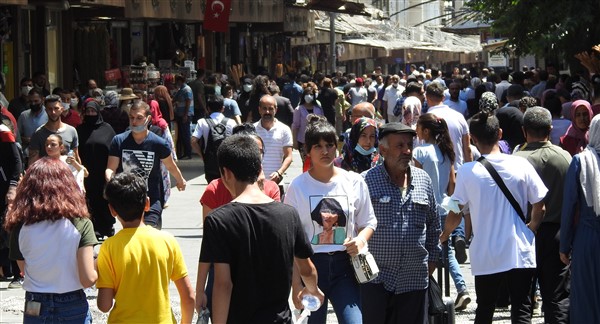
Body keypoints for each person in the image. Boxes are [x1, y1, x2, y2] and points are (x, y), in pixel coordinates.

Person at [198, 134, 323, 323]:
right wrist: (313, 290)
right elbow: (307, 269)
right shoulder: (289, 214)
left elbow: (223, 284)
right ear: (259, 168)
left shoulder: (218, 220)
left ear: (226, 173)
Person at [441, 112, 548, 323]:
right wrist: (531, 227)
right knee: (522, 309)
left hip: (485, 252)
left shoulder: (467, 171)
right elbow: (540, 205)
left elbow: (455, 211)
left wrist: (444, 235)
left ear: (472, 138)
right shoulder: (521, 164)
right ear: (500, 133)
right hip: (519, 248)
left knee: (485, 309)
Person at [285, 116, 376, 324]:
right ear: (307, 150)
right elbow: (290, 238)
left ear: (337, 147)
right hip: (310, 267)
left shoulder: (354, 181)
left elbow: (369, 221)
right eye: (317, 146)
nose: (325, 151)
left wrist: (360, 240)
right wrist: (296, 285)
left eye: (329, 145)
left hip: (346, 268)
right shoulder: (297, 187)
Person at [362, 122, 441, 323]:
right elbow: (355, 228)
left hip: (414, 280)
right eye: (400, 146)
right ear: (383, 150)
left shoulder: (423, 180)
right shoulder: (366, 182)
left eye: (409, 145)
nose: (407, 150)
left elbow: (433, 225)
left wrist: (431, 261)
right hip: (375, 281)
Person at [6, 157, 97, 323]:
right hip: (72, 303)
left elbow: (25, 269)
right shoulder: (81, 224)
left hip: (35, 305)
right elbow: (88, 279)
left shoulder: (19, 227)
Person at [96, 173, 194, 323]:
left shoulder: (108, 248)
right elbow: (188, 296)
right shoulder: (167, 241)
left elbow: (104, 305)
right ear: (147, 203)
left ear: (112, 210)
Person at [513, 107, 571, 323]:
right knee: (556, 297)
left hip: (522, 233)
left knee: (522, 299)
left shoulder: (515, 161)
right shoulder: (564, 157)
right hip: (556, 233)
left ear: (523, 130)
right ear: (550, 129)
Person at [412, 113, 472, 311]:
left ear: (426, 130)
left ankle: (425, 291)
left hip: (424, 207)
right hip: (445, 207)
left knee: (424, 250)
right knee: (445, 249)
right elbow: (452, 185)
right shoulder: (446, 152)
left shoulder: (419, 152)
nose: (416, 131)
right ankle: (461, 288)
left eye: (418, 127)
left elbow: (416, 181)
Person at [105, 101, 186, 229]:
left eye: (138, 118)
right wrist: (112, 181)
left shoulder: (159, 143)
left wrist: (180, 180)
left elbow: (170, 166)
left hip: (152, 197)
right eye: (131, 117)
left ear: (148, 118)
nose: (134, 122)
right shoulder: (119, 141)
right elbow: (111, 168)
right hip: (127, 197)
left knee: (150, 230)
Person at [560, 114, 600, 323]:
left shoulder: (581, 161)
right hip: (588, 233)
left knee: (586, 298)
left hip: (588, 237)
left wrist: (564, 245)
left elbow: (569, 207)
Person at [76, 100, 116, 239]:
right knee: (90, 201)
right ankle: (93, 229)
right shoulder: (80, 130)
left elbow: (113, 150)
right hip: (86, 174)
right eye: (88, 112)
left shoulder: (107, 129)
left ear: (98, 112)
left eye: (93, 111)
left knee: (104, 199)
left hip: (103, 172)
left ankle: (107, 226)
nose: (90, 114)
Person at [191, 95, 237, 183]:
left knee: (212, 189)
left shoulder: (202, 122)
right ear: (223, 108)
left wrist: (202, 156)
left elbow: (193, 141)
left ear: (208, 108)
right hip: (228, 163)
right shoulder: (231, 122)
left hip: (210, 163)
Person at [28, 94, 81, 166]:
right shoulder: (38, 133)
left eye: (56, 108)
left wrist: (80, 172)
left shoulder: (71, 131)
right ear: (46, 110)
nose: (53, 112)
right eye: (50, 109)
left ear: (62, 109)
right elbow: (32, 162)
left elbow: (76, 158)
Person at [0, 121, 22, 289]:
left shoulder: (4, 132)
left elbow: (16, 163)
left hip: (5, 188)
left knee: (10, 229)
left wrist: (12, 187)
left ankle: (17, 273)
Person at [254, 95, 294, 186]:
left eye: (270, 109)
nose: (267, 112)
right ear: (259, 110)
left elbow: (289, 156)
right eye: (264, 108)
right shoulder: (252, 130)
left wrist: (279, 172)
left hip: (276, 183)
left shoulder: (284, 129)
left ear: (276, 110)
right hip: (256, 183)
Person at [292, 86, 324, 162]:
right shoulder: (299, 109)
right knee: (306, 161)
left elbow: (323, 121)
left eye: (311, 94)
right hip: (303, 141)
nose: (309, 96)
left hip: (317, 139)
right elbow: (295, 126)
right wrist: (294, 141)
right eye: (307, 94)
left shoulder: (318, 108)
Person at [17, 88, 48, 155]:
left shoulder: (49, 115)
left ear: (42, 100)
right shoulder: (23, 116)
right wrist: (24, 139)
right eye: (31, 101)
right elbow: (17, 135)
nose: (33, 104)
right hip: (27, 154)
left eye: (36, 101)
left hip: (45, 153)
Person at [173, 74, 194, 159]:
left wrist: (185, 114)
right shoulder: (181, 89)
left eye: (177, 81)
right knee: (182, 134)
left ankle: (188, 153)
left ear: (180, 81)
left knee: (185, 134)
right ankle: (185, 152)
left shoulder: (186, 89)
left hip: (185, 115)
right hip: (180, 114)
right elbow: (175, 100)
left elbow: (188, 102)